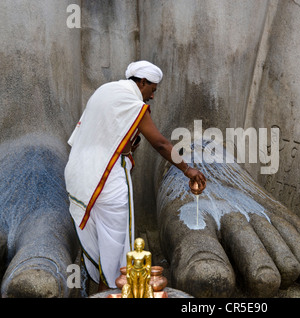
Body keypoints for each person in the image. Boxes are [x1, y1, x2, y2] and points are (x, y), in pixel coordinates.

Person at [65, 61, 206, 291]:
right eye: (153, 89)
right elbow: (160, 144)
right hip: (107, 179)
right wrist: (187, 169)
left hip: (81, 176)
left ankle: (98, 287)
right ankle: (109, 290)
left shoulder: (105, 91)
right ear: (142, 83)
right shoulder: (131, 103)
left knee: (98, 238)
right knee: (116, 242)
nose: (152, 96)